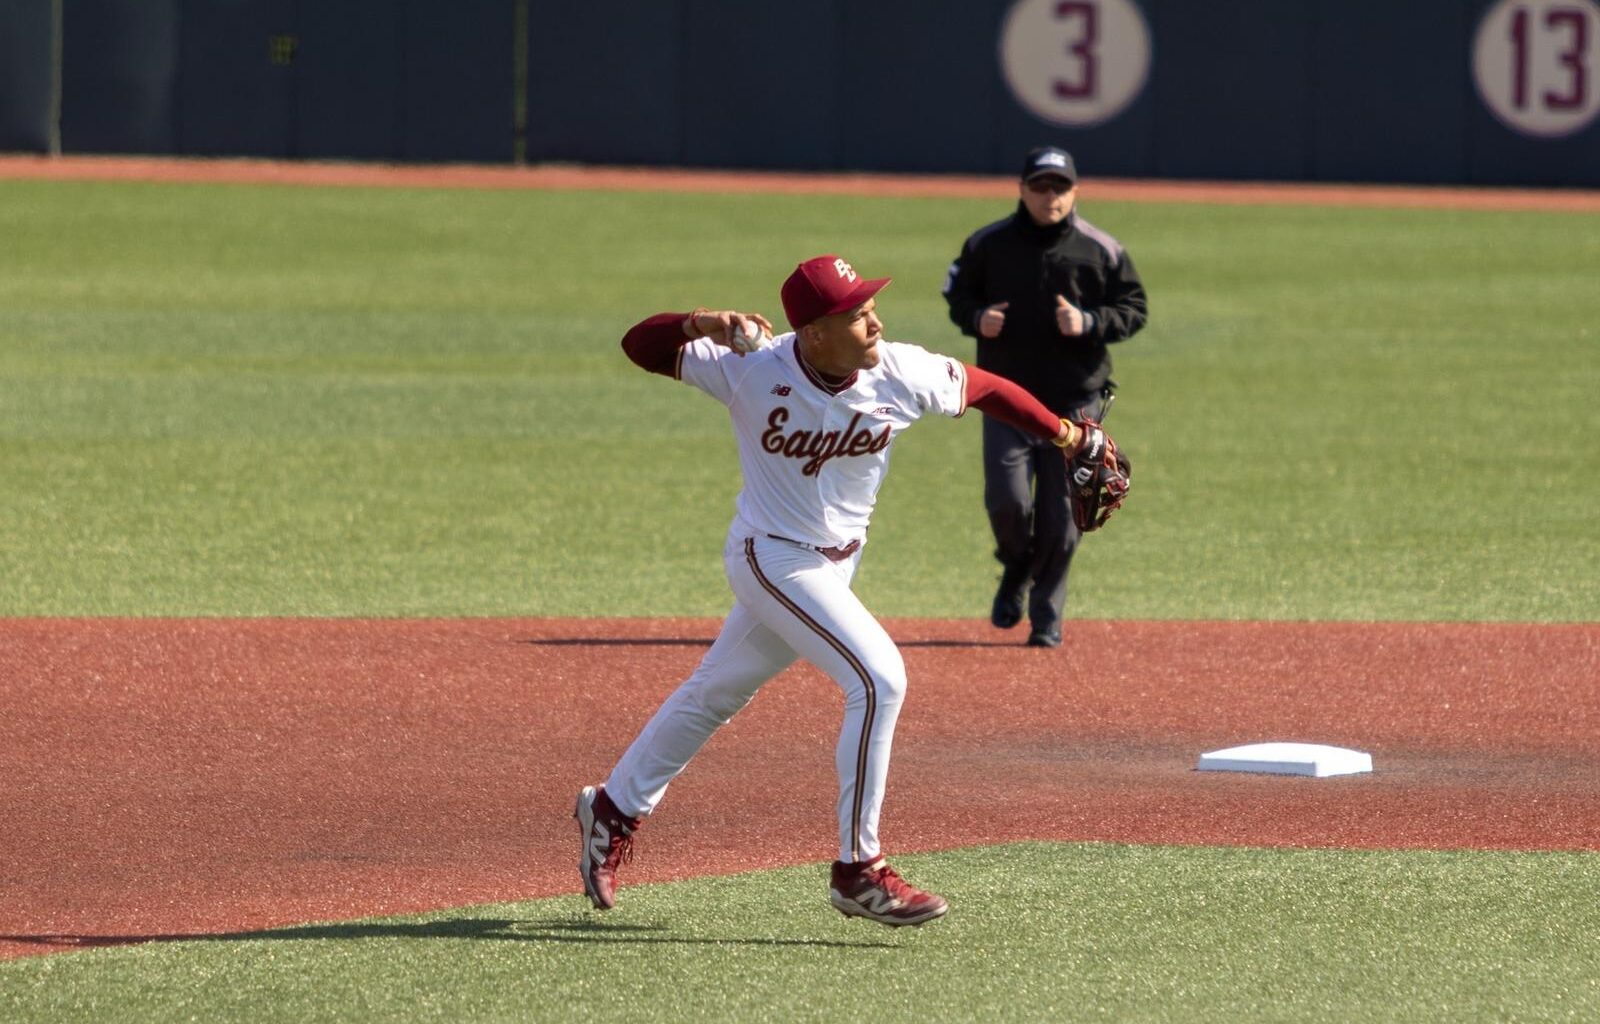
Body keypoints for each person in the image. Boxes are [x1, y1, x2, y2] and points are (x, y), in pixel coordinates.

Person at [575, 254, 1112, 927]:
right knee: (880, 679)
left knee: (716, 691)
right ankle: (860, 869)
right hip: (770, 557)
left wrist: (1065, 435)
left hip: (833, 567)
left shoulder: (898, 368)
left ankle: (612, 808)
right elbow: (640, 347)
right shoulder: (751, 365)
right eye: (855, 314)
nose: (873, 321)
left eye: (870, 306)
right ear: (812, 333)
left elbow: (984, 389)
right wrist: (700, 321)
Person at [942, 146, 1149, 648]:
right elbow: (957, 294)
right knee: (1007, 502)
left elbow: (1134, 308)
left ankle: (1046, 618)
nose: (1049, 196)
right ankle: (1016, 566)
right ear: (1022, 189)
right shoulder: (988, 244)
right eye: (1040, 186)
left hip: (1075, 402)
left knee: (1062, 516)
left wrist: (1092, 322)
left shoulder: (1101, 248)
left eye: (1060, 187)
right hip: (1006, 400)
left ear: (1075, 191)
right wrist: (976, 319)